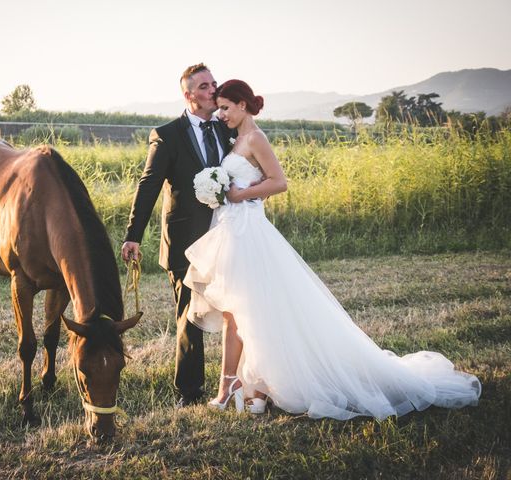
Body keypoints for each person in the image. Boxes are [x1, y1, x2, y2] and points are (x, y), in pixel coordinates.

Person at [183, 79, 481, 419]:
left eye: (225, 107)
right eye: (218, 107)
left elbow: (279, 182)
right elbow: (255, 182)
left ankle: (237, 387)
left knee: (244, 312)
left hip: (250, 233)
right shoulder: (236, 141)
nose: (220, 113)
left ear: (243, 105)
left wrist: (238, 195)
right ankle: (250, 385)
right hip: (233, 232)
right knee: (241, 313)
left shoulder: (256, 138)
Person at [122, 64, 236, 408]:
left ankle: (240, 381)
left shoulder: (227, 129)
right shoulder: (167, 134)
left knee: (239, 309)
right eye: (204, 86)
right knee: (190, 314)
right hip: (185, 241)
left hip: (227, 235)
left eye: (214, 83)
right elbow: (149, 185)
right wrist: (133, 235)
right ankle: (189, 392)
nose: (213, 90)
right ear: (188, 95)